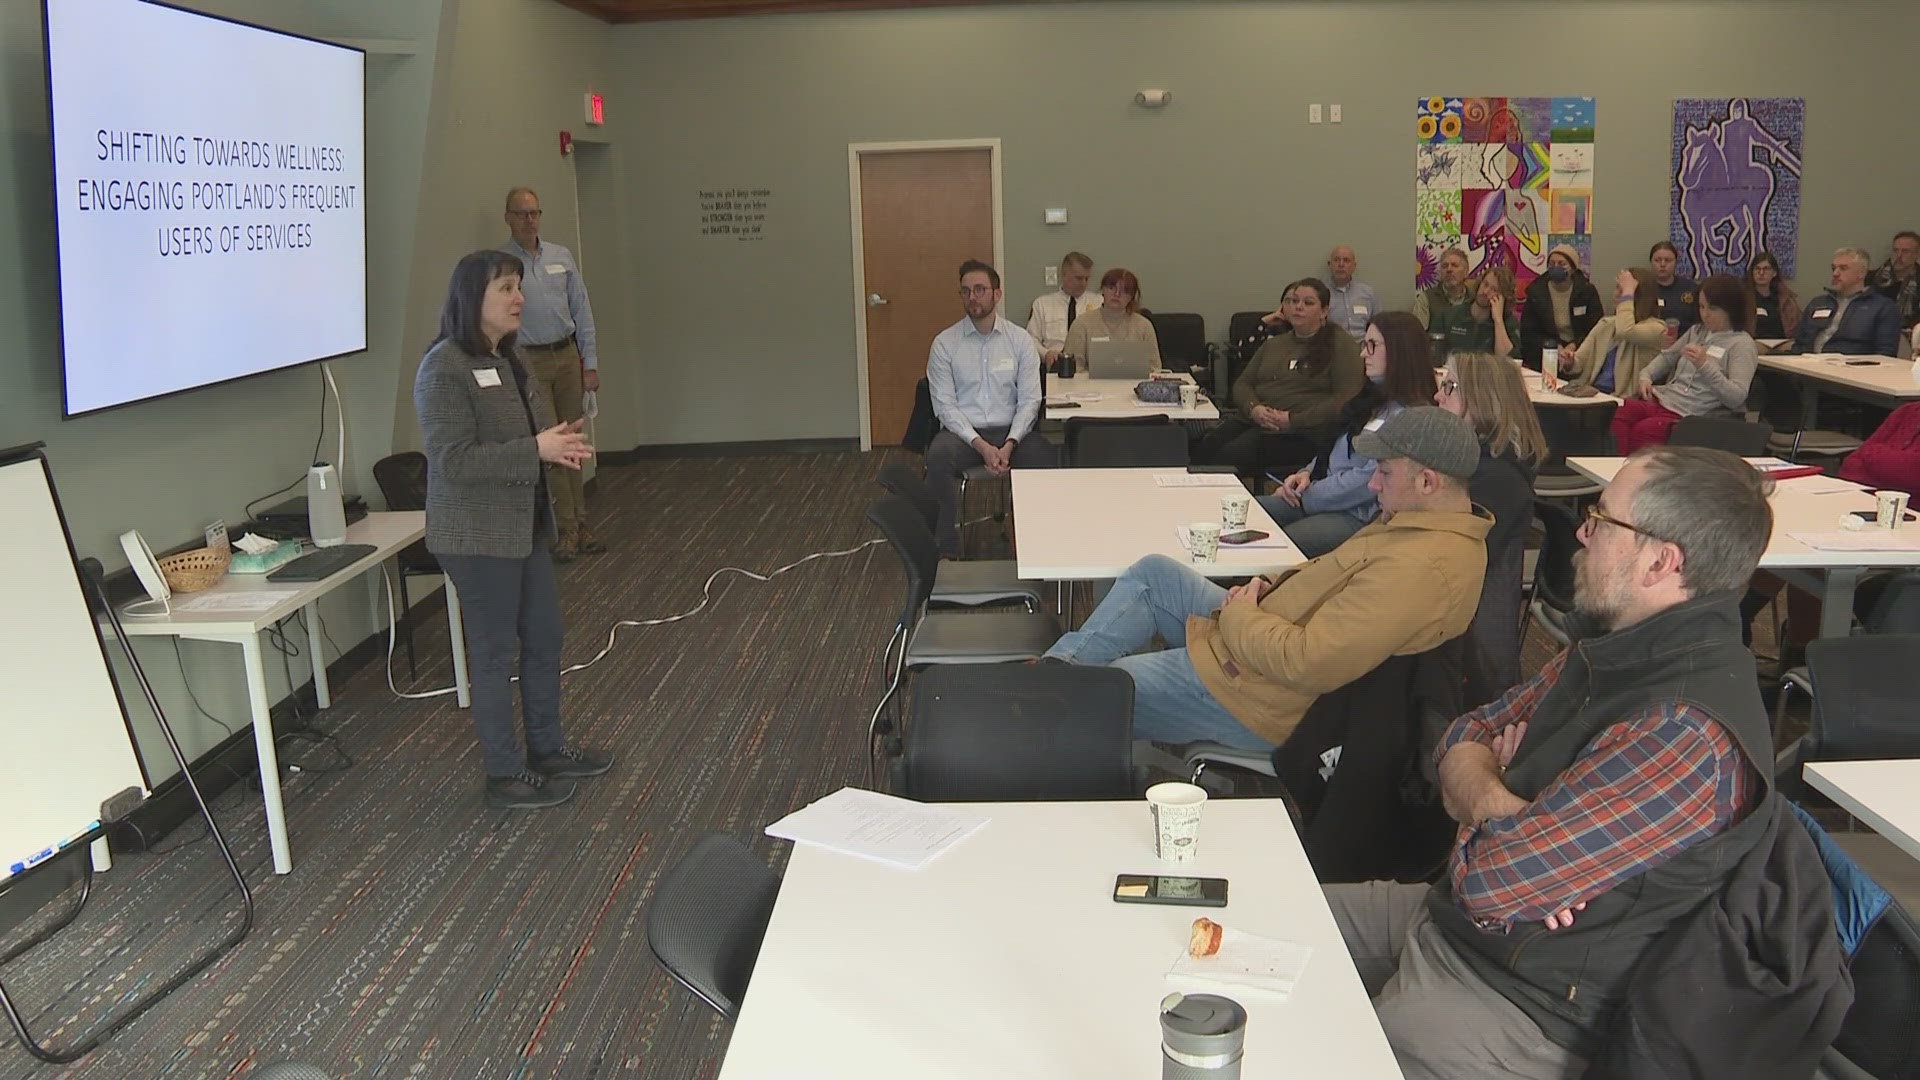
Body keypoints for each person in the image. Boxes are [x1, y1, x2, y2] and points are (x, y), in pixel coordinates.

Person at [1324, 447, 1846, 1079]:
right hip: (1452, 925)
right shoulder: (1618, 647)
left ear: (1661, 561)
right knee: (1262, 913)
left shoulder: (1684, 734)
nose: (1581, 529)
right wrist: (1498, 803)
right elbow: (1463, 733)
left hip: (1519, 1006)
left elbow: (1492, 881)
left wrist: (1482, 796)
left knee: (1295, 1047)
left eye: (1602, 518)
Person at [1044, 407, 1491, 751]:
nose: (1373, 484)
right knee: (1155, 574)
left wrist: (1240, 617)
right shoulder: (1418, 526)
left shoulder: (1421, 571)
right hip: (1258, 639)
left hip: (1257, 694)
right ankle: (1050, 677)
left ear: (1428, 482)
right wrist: (1265, 586)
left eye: (1385, 472)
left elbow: (1306, 663)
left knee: (1109, 687)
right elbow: (1327, 577)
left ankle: (1039, 706)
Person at [414, 250, 612, 810]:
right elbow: (452, 460)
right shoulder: (444, 368)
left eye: (518, 286)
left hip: (523, 529)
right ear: (471, 298)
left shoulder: (508, 357)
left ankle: (547, 750)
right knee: (496, 654)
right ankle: (505, 773)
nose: (518, 298)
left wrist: (553, 446)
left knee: (545, 638)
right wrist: (535, 448)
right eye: (505, 288)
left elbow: (517, 441)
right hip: (476, 538)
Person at [1257, 312, 1437, 557]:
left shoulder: (1410, 415)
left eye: (1372, 345)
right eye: (1364, 345)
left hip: (1357, 515)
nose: (1363, 354)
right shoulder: (1371, 399)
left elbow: (1367, 482)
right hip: (1318, 493)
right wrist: (1305, 474)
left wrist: (1308, 494)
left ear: (1400, 351)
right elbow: (1334, 445)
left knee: (1278, 543)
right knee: (1251, 514)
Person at [1435, 353, 1546, 708]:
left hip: (1470, 667)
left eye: (1449, 387)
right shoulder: (1476, 464)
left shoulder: (1494, 479)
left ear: (1483, 400)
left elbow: (1443, 559)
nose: (1438, 397)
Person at [924, 259, 1055, 556]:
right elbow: (945, 406)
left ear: (996, 294)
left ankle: (1035, 545)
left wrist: (1010, 443)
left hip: (1012, 431)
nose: (973, 297)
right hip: (963, 434)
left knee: (1046, 457)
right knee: (938, 458)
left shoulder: (1020, 341)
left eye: (980, 289)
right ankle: (946, 550)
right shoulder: (945, 344)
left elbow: (1030, 400)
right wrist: (982, 446)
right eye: (966, 291)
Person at [501, 187, 603, 563]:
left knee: (574, 442)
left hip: (566, 355)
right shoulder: (502, 263)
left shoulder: (561, 256)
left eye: (534, 213)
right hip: (530, 362)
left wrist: (589, 363)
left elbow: (583, 312)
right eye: (521, 214)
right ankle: (566, 530)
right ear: (508, 218)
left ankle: (582, 522)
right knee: (554, 446)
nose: (529, 220)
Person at [1198, 278, 1364, 475]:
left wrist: (1293, 419)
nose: (1298, 307)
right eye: (1293, 301)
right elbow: (1243, 383)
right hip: (1255, 419)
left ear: (1324, 311)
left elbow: (1345, 399)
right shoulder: (1275, 344)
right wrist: (1254, 408)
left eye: (1308, 303)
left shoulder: (1340, 345)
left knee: (1227, 458)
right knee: (1204, 447)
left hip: (1302, 431)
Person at [1610, 273, 1759, 454]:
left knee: (1645, 431)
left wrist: (1704, 365)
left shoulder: (1741, 344)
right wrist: (1646, 376)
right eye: (1702, 307)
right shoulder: (1697, 331)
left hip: (1695, 414)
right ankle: (1619, 468)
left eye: (1712, 309)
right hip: (1666, 399)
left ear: (1730, 310)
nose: (1705, 314)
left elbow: (1736, 396)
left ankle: (1635, 475)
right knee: (1619, 412)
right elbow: (1667, 357)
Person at [1553, 267, 1669, 396]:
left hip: (1624, 398)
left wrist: (1628, 293)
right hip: (1591, 392)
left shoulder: (1657, 328)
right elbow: (1580, 361)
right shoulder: (1606, 324)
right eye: (1617, 288)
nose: (1616, 294)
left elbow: (1625, 330)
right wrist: (1570, 362)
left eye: (1622, 290)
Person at [1793, 246, 1903, 356]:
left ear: (1862, 273)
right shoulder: (1818, 303)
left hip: (1849, 368)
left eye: (1843, 268)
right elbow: (1799, 343)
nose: (1835, 273)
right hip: (1807, 364)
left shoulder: (1883, 307)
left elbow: (1885, 354)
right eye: (1833, 268)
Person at [1062, 267, 1160, 373]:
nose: (1117, 294)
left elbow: (1155, 368)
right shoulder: (1081, 324)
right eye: (1112, 288)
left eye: (1124, 291)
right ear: (1103, 290)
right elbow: (1074, 369)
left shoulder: (1144, 326)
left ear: (1131, 297)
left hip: (1132, 387)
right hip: (1091, 387)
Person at [1518, 245, 1601, 368]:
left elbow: (1596, 328)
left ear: (1573, 268)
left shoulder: (1586, 291)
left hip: (1580, 351)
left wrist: (1574, 345)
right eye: (1552, 264)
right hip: (1545, 353)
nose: (1556, 267)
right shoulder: (1536, 292)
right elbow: (1529, 331)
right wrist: (1555, 346)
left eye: (1562, 264)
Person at [1026, 251, 1095, 367]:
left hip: (1088, 366)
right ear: (1064, 275)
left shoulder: (1098, 303)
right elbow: (1030, 339)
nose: (1083, 283)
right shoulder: (1043, 304)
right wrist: (1046, 353)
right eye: (1078, 278)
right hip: (1055, 363)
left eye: (1086, 279)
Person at [1840, 401, 1920, 495]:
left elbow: (1913, 473)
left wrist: (1872, 453)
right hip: (1866, 498)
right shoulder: (1907, 411)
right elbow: (1850, 467)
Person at [1414, 248, 1475, 360]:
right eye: (1445, 266)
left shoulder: (1474, 299)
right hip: (1436, 361)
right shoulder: (1426, 298)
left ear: (1466, 271)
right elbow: (1417, 338)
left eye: (1454, 265)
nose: (1449, 270)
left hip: (1469, 361)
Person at [1447, 267, 1520, 360]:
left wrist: (1498, 320)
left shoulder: (1509, 323)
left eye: (1494, 290)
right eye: (1485, 284)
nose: (1485, 292)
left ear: (1503, 298)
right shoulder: (1452, 314)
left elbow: (1507, 361)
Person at [1745, 249, 1801, 340]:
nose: (1761, 273)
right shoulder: (1744, 298)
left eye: (1766, 269)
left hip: (1781, 343)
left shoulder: (1786, 299)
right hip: (1754, 343)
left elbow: (1795, 327)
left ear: (1774, 273)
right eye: (1757, 269)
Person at [1869, 230, 1920, 329]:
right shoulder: (1872, 278)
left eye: (1905, 251)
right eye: (1896, 250)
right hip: (1872, 331)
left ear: (1917, 254)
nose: (1899, 256)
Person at [1325, 245, 1379, 338]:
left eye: (1346, 260)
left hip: (1365, 348)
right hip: (1334, 348)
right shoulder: (1320, 293)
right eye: (1337, 260)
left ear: (1354, 266)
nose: (1341, 264)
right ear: (1329, 264)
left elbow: (1379, 326)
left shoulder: (1368, 293)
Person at [1648, 240, 1699, 333]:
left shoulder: (1690, 287)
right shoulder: (1643, 289)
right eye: (1657, 260)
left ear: (1676, 263)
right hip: (1654, 343)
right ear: (1651, 262)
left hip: (1688, 341)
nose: (1663, 264)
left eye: (1668, 260)